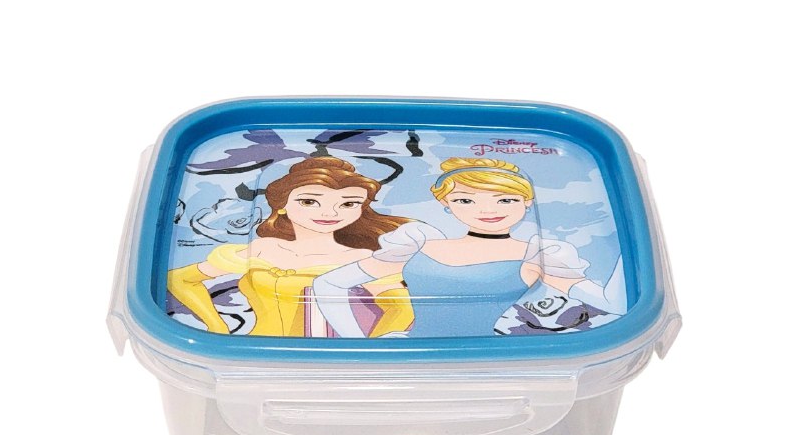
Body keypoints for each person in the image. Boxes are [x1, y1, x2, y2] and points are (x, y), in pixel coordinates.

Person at [312, 157, 625, 338]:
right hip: (409, 354)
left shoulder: (538, 256)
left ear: (527, 203)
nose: (487, 210)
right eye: (465, 200)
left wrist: (628, 249)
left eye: (505, 200)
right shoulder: (419, 244)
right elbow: (329, 283)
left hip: (490, 364)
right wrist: (358, 344)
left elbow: (612, 303)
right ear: (446, 205)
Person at [167, 157, 413, 337]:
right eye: (309, 201)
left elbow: (402, 310)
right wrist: (216, 326)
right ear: (282, 204)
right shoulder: (263, 249)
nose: (330, 213)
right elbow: (180, 279)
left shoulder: (361, 258)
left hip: (332, 361)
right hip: (254, 354)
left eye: (348, 204)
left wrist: (365, 350)